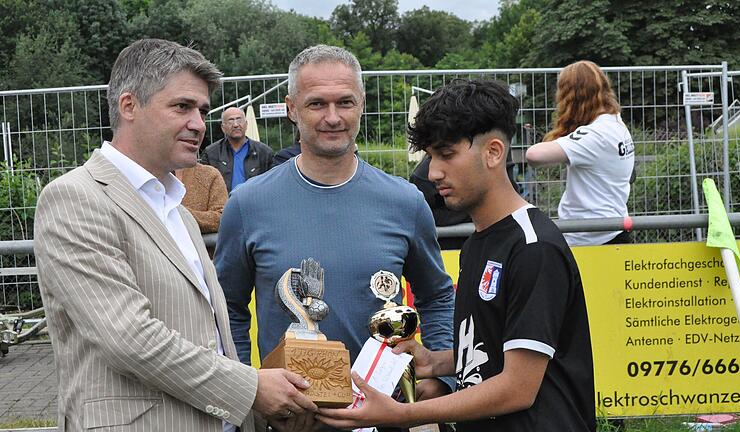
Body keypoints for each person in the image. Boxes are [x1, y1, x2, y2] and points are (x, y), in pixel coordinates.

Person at [33, 39, 316, 432]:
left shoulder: (176, 210)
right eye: (182, 107)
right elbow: (129, 339)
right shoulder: (75, 198)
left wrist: (256, 413)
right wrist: (252, 390)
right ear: (128, 106)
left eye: (202, 110)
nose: (199, 123)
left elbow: (212, 335)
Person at [317, 79, 595, 432]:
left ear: (493, 152)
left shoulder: (532, 247)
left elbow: (517, 388)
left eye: (446, 155)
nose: (433, 173)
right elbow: (491, 351)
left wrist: (403, 414)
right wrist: (434, 363)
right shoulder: (479, 242)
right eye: (431, 157)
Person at [215, 44, 455, 422]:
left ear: (361, 103)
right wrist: (247, 391)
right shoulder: (247, 204)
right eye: (316, 104)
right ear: (292, 108)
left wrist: (444, 377)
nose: (333, 117)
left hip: (384, 419)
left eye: (345, 102)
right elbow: (227, 309)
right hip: (290, 424)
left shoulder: (404, 201)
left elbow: (438, 295)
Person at [525, 60, 635, 246]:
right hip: (610, 232)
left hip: (591, 240)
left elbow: (534, 156)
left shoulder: (595, 135)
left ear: (572, 97)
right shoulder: (615, 123)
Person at [201, 106, 274, 191]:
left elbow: (272, 184)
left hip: (255, 201)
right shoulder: (211, 153)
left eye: (239, 120)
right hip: (223, 203)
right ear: (223, 127)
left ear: (246, 124)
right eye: (230, 121)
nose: (235, 125)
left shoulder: (264, 153)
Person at [176, 163, 228, 234]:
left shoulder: (209, 175)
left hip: (201, 243)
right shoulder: (156, 178)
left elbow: (222, 218)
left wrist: (181, 214)